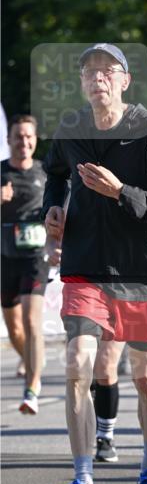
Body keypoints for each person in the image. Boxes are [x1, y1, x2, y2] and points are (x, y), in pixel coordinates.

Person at [42, 42, 147, 484]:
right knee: (77, 366)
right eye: (89, 71)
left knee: (145, 378)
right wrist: (54, 209)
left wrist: (122, 193)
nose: (97, 78)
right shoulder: (69, 129)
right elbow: (56, 175)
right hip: (85, 264)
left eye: (107, 71)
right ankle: (84, 483)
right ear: (82, 82)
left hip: (141, 269)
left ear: (125, 81)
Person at [1, 114, 49, 413]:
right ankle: (31, 360)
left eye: (29, 137)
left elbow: (62, 211)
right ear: (9, 141)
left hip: (36, 256)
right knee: (15, 328)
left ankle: (32, 387)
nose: (24, 142)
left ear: (35, 140)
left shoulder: (46, 174)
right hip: (5, 257)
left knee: (32, 321)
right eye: (18, 136)